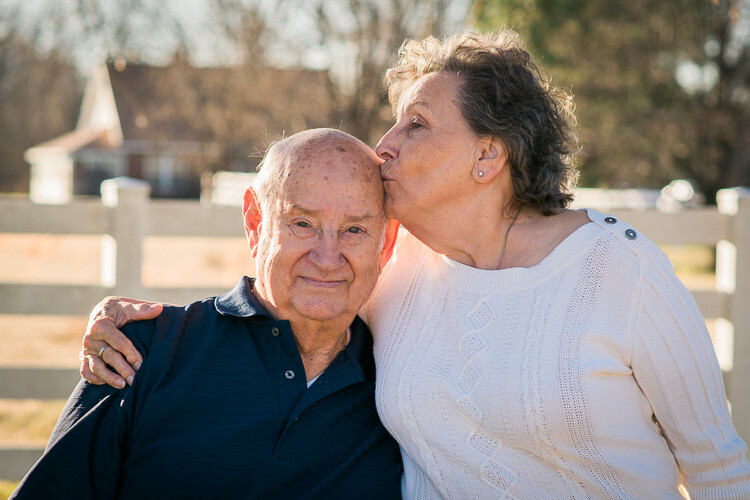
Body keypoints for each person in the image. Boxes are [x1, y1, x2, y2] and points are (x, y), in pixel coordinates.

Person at [79, 31, 750, 498]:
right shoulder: (395, 271)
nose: (385, 145)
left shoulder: (620, 271)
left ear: (489, 158)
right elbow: (291, 280)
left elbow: (720, 471)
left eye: (416, 124)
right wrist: (125, 322)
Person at [11, 129, 403, 499]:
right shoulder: (138, 353)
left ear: (384, 244)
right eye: (302, 223)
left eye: (354, 230)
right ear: (255, 224)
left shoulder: (400, 390)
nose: (327, 258)